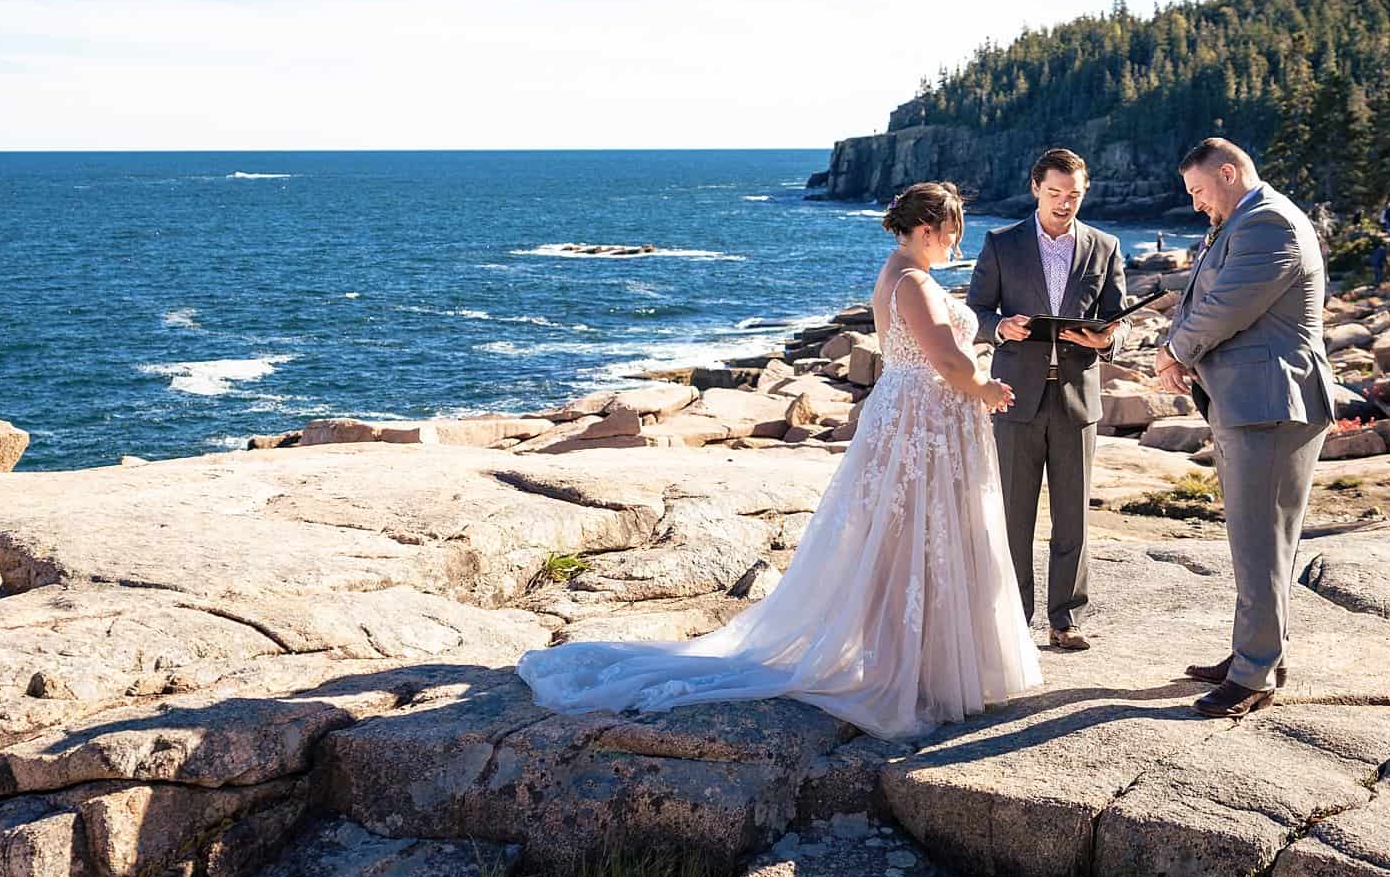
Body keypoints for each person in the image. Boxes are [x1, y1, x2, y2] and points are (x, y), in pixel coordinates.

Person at [516, 182, 1041, 741]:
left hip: (915, 417)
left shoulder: (900, 270)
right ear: (930, 229)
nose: (957, 244)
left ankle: (920, 662)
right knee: (913, 538)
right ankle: (907, 670)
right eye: (954, 233)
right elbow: (942, 356)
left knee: (912, 538)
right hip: (919, 423)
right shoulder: (911, 279)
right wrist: (984, 387)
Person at [1154, 138, 1337, 719]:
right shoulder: (1247, 218)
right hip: (1252, 401)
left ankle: (1254, 674)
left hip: (1271, 402)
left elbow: (1228, 304)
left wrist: (1175, 353)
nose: (1197, 205)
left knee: (1260, 540)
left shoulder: (1270, 224)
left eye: (1200, 191)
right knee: (1257, 539)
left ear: (1228, 173)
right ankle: (1256, 655)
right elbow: (1208, 299)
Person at [964, 147, 1130, 651]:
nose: (1064, 203)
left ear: (1085, 192)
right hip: (1015, 398)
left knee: (1073, 515)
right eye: (1055, 193)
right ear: (1036, 188)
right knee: (1014, 514)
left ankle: (1065, 619)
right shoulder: (1001, 243)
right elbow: (974, 311)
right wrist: (1000, 328)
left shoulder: (1105, 245)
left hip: (1078, 399)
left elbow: (1119, 321)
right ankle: (1015, 620)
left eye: (1073, 195)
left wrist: (1106, 341)